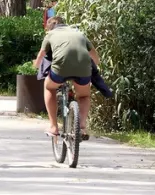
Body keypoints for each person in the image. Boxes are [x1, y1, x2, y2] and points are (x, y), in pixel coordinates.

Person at [34, 9, 103, 140]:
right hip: (83, 69)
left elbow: (41, 56)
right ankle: (82, 127)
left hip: (60, 69)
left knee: (49, 87)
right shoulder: (79, 33)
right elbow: (95, 57)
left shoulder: (50, 34)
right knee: (83, 96)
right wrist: (95, 67)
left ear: (49, 28)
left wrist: (36, 66)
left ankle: (53, 126)